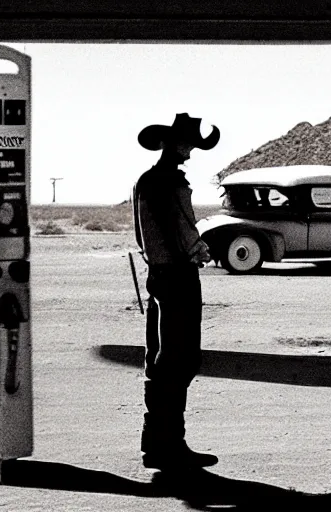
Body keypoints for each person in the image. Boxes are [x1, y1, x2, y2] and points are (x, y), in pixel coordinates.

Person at [132, 113, 220, 470]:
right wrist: (199, 251)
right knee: (180, 358)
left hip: (158, 272)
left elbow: (146, 234)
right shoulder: (170, 182)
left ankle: (156, 440)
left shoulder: (145, 181)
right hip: (179, 275)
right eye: (188, 144)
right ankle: (169, 444)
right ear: (176, 144)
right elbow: (183, 231)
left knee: (161, 356)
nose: (190, 151)